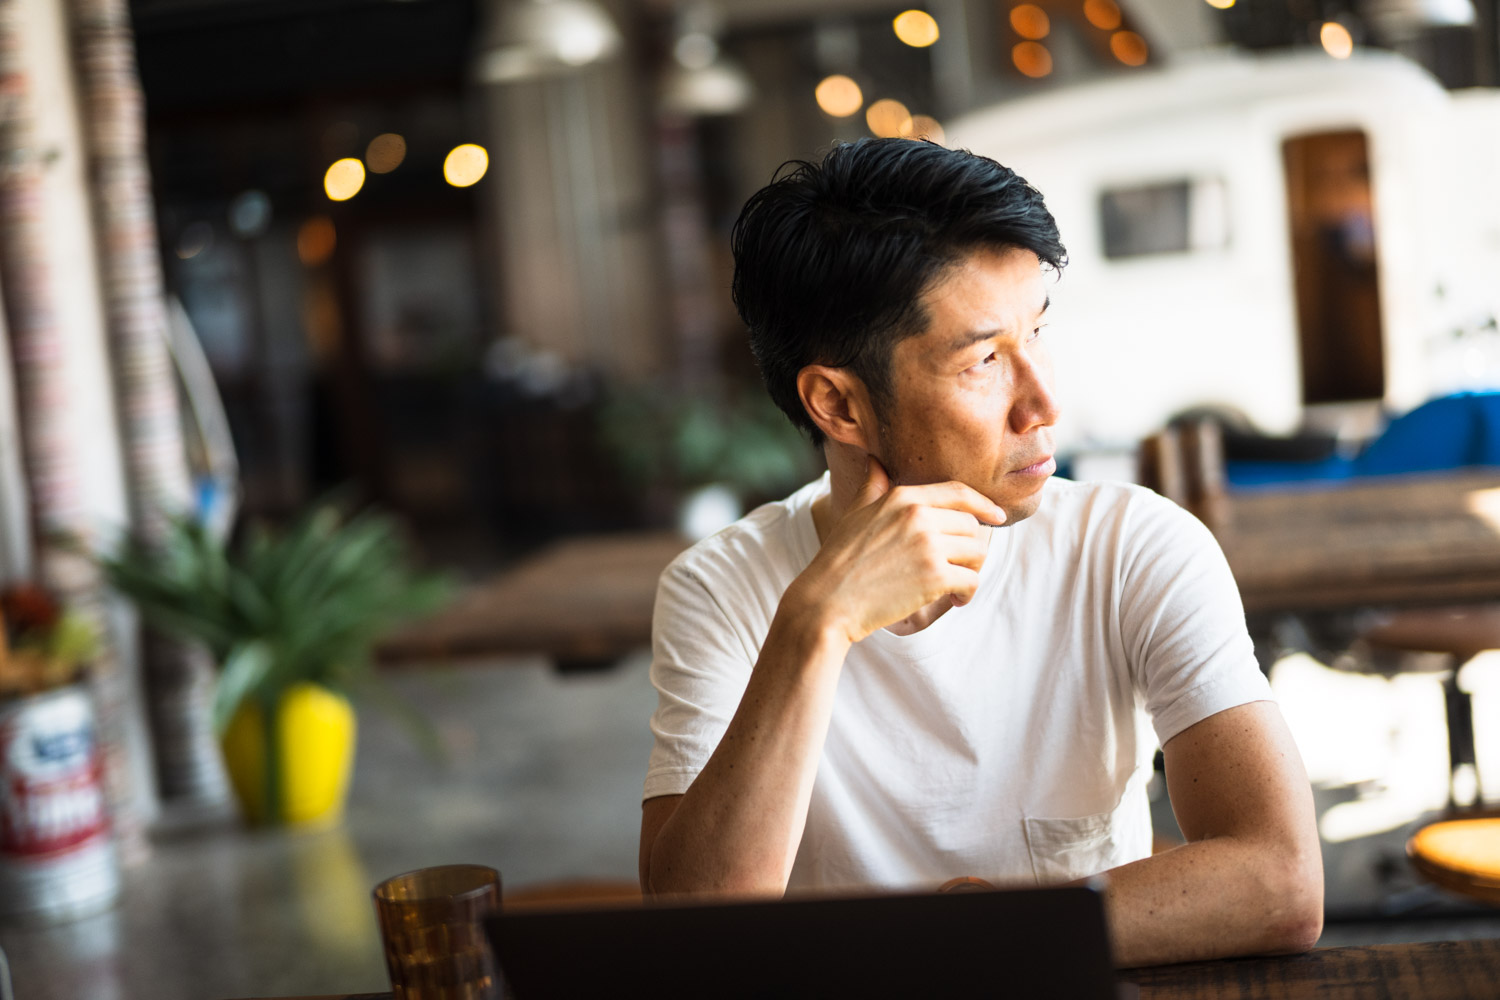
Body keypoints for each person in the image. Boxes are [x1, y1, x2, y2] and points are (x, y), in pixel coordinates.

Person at [637, 138, 1323, 967]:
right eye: (986, 359)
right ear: (838, 404)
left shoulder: (1132, 546)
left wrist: (979, 936)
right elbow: (692, 934)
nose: (1043, 402)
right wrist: (816, 626)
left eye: (1038, 333)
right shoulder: (722, 589)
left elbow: (1281, 882)